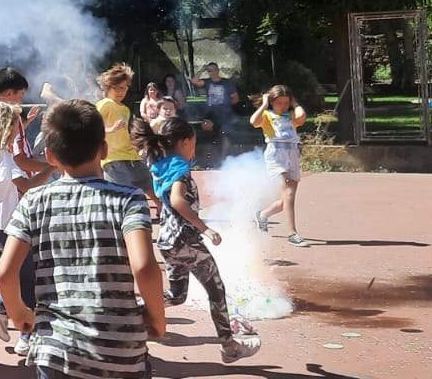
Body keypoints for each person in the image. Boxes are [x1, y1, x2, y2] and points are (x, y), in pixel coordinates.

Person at [0, 100, 166, 379]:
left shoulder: (33, 201)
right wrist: (157, 318)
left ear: (49, 156)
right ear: (104, 148)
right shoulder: (128, 199)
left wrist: (20, 315)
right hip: (120, 350)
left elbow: (4, 272)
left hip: (56, 350)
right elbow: (145, 267)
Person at [132, 116, 262, 363]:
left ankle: (131, 312)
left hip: (167, 241)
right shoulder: (179, 167)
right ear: (183, 142)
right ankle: (229, 346)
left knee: (177, 295)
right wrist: (205, 229)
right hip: (186, 239)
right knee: (216, 290)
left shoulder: (158, 163)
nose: (194, 148)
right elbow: (178, 201)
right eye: (193, 142)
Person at [0, 102, 55, 355]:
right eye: (17, 124)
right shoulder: (2, 156)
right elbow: (27, 184)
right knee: (26, 277)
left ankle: (0, 307)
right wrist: (52, 166)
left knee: (22, 272)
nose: (20, 128)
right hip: (8, 224)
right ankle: (22, 330)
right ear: (7, 126)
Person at [95, 63, 160, 214]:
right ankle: (123, 225)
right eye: (117, 88)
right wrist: (111, 129)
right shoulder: (104, 104)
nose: (121, 92)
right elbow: (93, 128)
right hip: (113, 158)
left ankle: (161, 208)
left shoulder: (125, 109)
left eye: (124, 88)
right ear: (108, 87)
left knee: (149, 184)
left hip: (132, 155)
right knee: (123, 196)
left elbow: (126, 132)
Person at [251, 85, 309, 246]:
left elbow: (302, 118)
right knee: (288, 193)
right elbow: (253, 121)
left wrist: (295, 104)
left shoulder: (290, 115)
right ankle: (292, 233)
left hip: (292, 154)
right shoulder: (267, 115)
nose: (283, 106)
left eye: (286, 102)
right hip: (276, 154)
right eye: (279, 103)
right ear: (272, 102)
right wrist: (263, 105)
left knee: (286, 201)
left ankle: (262, 215)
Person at [192, 63, 240, 138]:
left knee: (225, 135)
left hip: (225, 113)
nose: (213, 72)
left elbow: (235, 99)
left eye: (214, 69)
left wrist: (226, 106)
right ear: (208, 72)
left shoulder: (227, 83)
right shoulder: (207, 82)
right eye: (210, 70)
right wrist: (202, 69)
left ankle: (225, 148)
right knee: (207, 129)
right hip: (210, 113)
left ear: (218, 70)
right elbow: (194, 81)